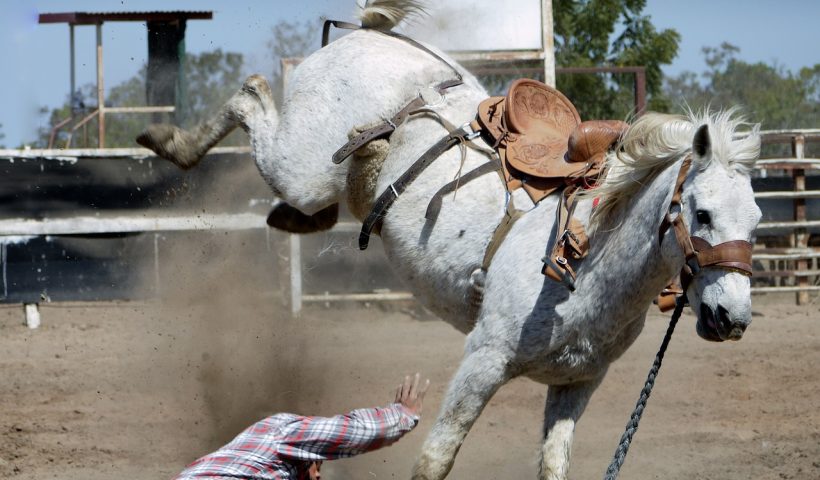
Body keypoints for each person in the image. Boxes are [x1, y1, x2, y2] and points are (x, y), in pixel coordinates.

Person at [174, 373, 430, 480]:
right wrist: (402, 415)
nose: (318, 475)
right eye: (318, 464)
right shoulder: (282, 429)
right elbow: (352, 432)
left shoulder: (227, 459)